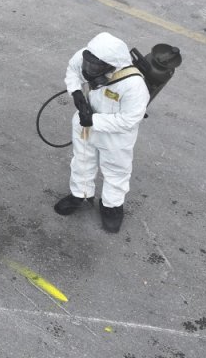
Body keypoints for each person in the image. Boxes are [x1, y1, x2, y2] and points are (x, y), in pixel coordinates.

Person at [53, 32, 149, 234]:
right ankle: (81, 194)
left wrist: (94, 120)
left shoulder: (134, 85)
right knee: (82, 160)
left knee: (115, 170)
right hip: (84, 124)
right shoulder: (89, 56)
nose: (88, 70)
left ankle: (112, 206)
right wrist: (77, 93)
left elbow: (129, 119)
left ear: (112, 66)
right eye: (88, 64)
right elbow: (73, 69)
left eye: (95, 68)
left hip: (115, 135)